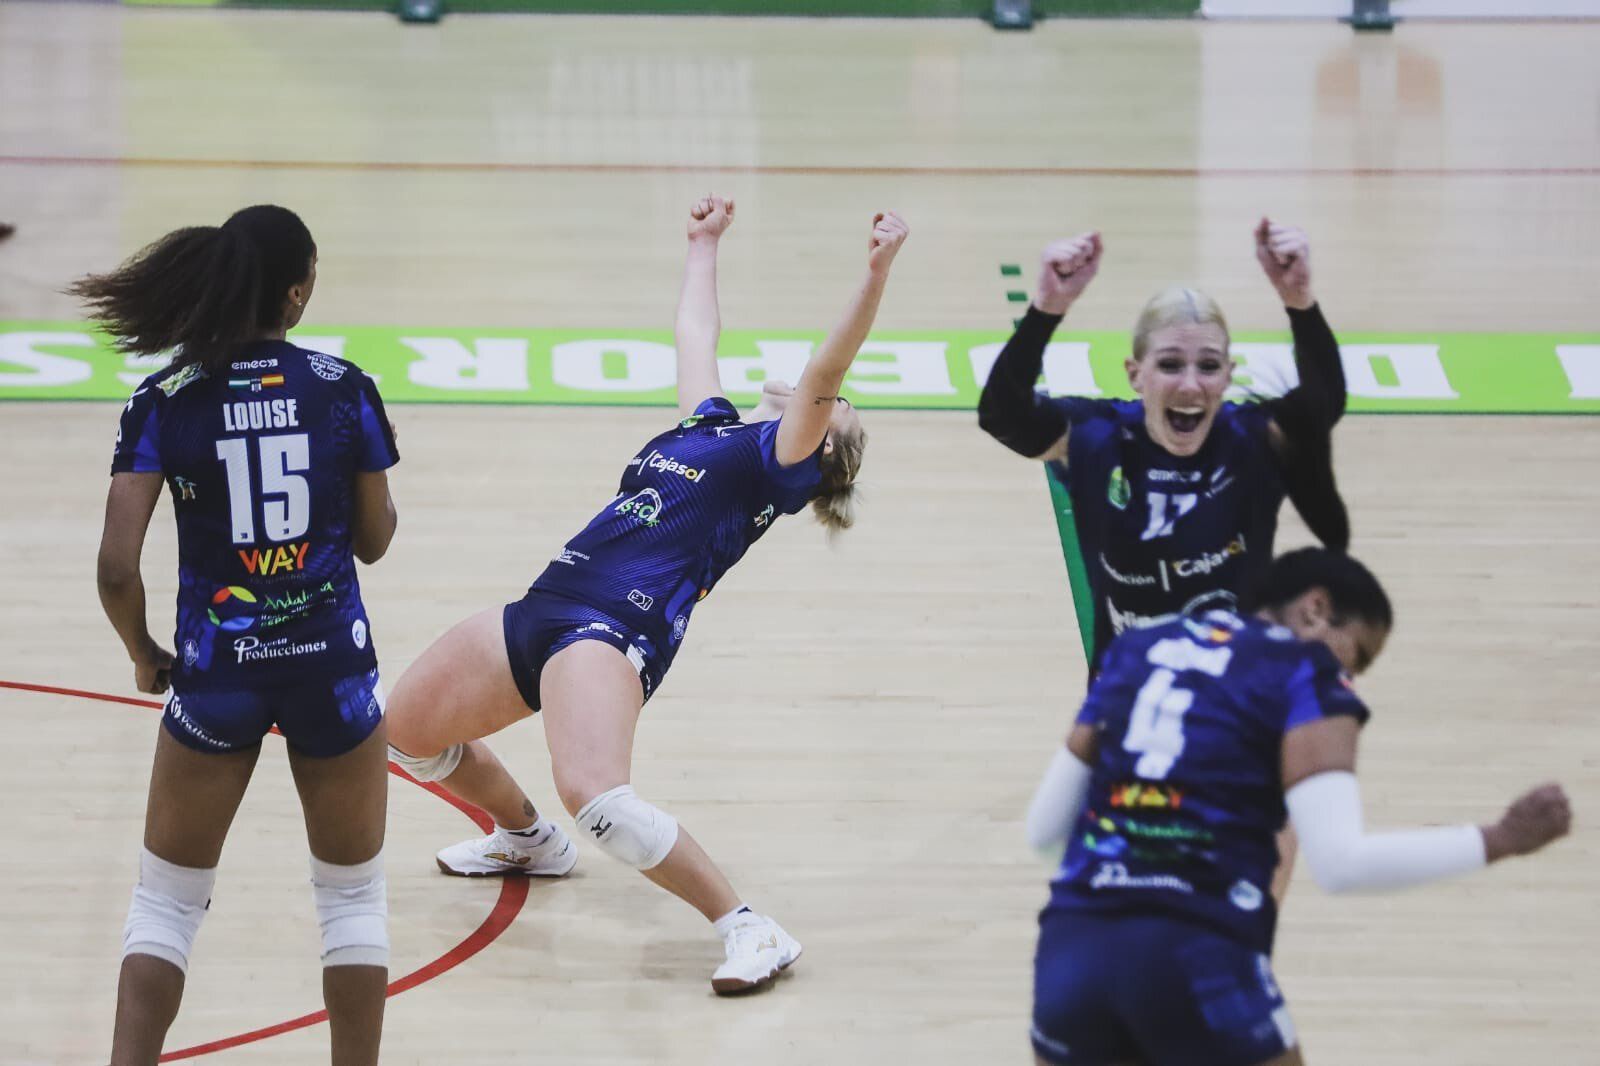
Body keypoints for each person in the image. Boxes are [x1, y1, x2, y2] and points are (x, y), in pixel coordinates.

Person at [383, 196, 904, 995]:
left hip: (614, 625)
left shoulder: (777, 461)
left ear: (823, 435)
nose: (819, 395)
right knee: (407, 730)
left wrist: (876, 271)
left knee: (597, 794)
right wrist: (703, 244)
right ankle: (526, 839)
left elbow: (828, 372)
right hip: (545, 604)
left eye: (831, 406)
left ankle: (748, 927)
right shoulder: (711, 428)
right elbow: (695, 337)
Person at [1023, 547, 1572, 1066]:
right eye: (1356, 654)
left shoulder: (1137, 649)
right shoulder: (1306, 670)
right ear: (1316, 608)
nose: (1350, 677)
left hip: (1071, 955)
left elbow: (1044, 831)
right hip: (1196, 950)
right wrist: (1500, 839)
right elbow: (1342, 864)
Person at [78, 205, 400, 1066]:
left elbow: (114, 565)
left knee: (169, 905)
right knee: (352, 901)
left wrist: (143, 653)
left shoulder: (166, 399)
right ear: (295, 295)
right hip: (331, 665)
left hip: (219, 671)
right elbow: (375, 539)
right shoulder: (343, 388)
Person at [978, 220, 1351, 667]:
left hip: (1234, 707)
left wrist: (1300, 302)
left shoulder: (1252, 440)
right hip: (1126, 711)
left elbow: (1323, 404)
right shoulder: (1101, 438)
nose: (1191, 385)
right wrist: (1046, 309)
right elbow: (1003, 416)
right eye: (1171, 364)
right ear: (1136, 374)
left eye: (1209, 366)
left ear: (1229, 376)